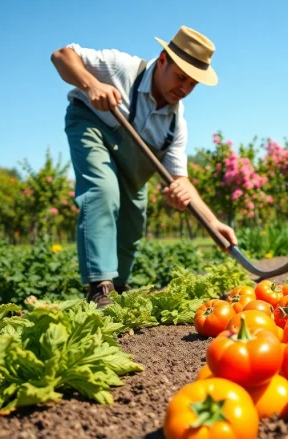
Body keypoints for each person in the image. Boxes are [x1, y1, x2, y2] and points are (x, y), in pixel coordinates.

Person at [51, 26, 237, 308]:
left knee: (134, 219)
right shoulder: (123, 67)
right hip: (92, 126)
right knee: (103, 191)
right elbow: (61, 55)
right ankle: (99, 286)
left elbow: (179, 179)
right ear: (163, 59)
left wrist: (213, 222)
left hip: (134, 162)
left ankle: (118, 286)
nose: (185, 89)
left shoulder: (175, 124)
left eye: (192, 84)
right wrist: (91, 85)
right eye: (181, 77)